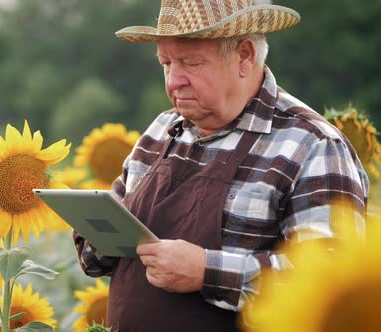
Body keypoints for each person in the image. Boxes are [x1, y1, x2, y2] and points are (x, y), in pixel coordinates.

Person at [72, 0, 369, 331]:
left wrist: (205, 271)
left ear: (244, 55)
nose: (174, 82)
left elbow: (325, 284)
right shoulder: (162, 129)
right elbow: (95, 262)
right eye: (167, 63)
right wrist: (96, 228)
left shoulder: (313, 146)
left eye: (191, 63)